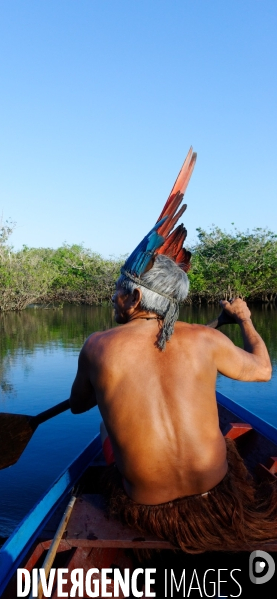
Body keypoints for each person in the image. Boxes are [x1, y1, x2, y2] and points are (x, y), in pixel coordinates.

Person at [68, 150, 276, 553]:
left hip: (147, 507)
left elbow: (78, 406)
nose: (113, 299)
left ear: (132, 297)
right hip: (216, 492)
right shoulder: (206, 339)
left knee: (103, 429)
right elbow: (264, 369)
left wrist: (103, 386)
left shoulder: (97, 346)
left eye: (117, 291)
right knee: (220, 435)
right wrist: (245, 319)